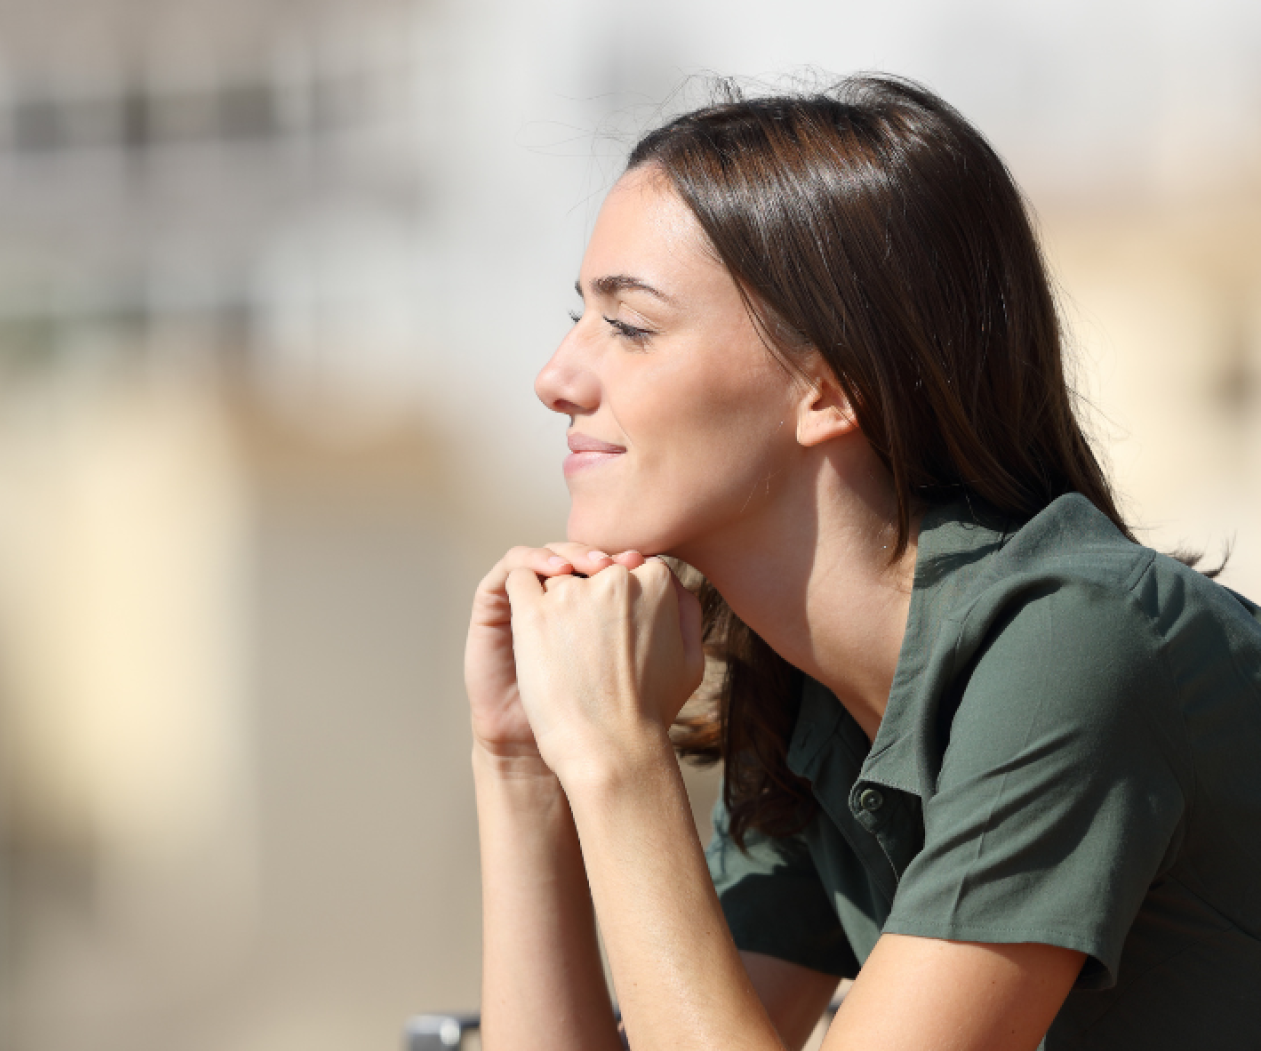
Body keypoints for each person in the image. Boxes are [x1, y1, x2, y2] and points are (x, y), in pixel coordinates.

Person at [464, 74, 1261, 1051]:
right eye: (578, 318)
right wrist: (522, 767)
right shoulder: (814, 707)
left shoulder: (1073, 645)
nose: (556, 377)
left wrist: (621, 761)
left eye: (627, 327)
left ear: (829, 391)